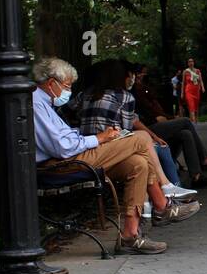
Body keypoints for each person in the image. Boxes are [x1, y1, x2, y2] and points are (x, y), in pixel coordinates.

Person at [31, 56, 200, 255]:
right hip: (62, 163)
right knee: (141, 138)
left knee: (138, 163)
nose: (68, 91)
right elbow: (63, 147)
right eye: (67, 86)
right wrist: (100, 138)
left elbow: (65, 134)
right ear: (51, 83)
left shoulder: (48, 101)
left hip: (72, 155)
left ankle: (130, 235)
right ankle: (163, 202)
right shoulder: (36, 104)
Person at [73, 59, 198, 201]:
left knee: (149, 140)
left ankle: (168, 190)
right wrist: (152, 138)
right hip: (108, 144)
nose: (132, 78)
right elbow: (128, 127)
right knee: (157, 147)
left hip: (88, 146)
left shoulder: (85, 94)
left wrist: (78, 123)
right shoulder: (124, 96)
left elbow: (65, 110)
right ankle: (172, 189)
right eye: (130, 74)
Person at [182, 58, 204, 122]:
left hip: (196, 90)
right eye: (189, 62)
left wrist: (202, 87)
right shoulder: (185, 71)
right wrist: (182, 93)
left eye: (192, 61)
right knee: (191, 104)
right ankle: (193, 120)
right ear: (188, 63)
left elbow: (200, 80)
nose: (191, 63)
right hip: (188, 90)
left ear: (194, 63)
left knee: (196, 105)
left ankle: (195, 119)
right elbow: (183, 82)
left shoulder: (197, 71)